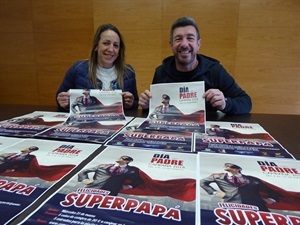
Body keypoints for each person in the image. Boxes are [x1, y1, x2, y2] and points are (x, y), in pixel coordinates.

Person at [139, 16, 252, 115]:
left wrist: (225, 103)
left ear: (198, 44)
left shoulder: (214, 71)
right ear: (171, 45)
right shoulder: (161, 72)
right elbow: (155, 110)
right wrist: (147, 105)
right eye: (178, 39)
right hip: (172, 130)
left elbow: (245, 102)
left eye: (190, 38)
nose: (184, 44)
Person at [56, 23, 139, 112]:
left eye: (115, 45)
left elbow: (135, 104)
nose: (111, 49)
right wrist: (63, 101)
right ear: (96, 46)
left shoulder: (128, 73)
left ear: (119, 50)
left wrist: (130, 104)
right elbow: (60, 100)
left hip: (116, 123)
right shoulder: (78, 69)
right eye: (106, 43)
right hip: (86, 123)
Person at [200, 163, 280, 212]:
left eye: (229, 166)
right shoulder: (217, 176)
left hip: (257, 207)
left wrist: (271, 199)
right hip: (231, 205)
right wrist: (214, 192)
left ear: (237, 169)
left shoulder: (252, 180)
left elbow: (271, 191)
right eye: (226, 165)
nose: (226, 166)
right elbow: (203, 182)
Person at [78, 155, 143, 196]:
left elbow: (138, 180)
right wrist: (85, 179)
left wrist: (129, 186)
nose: (121, 159)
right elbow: (84, 171)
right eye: (121, 158)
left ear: (127, 161)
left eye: (124, 159)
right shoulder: (102, 166)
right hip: (91, 189)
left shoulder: (131, 170)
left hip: (110, 193)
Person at [0, 146, 75, 181]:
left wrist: (12, 166)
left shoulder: (30, 157)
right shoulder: (12, 153)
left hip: (7, 167)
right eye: (28, 147)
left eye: (30, 149)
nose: (27, 149)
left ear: (31, 151)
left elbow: (27, 166)